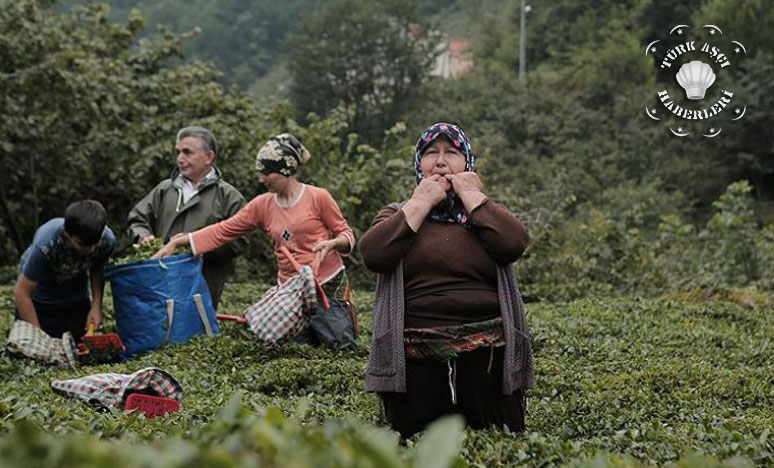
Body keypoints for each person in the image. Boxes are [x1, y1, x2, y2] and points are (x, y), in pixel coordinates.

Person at [359, 122, 535, 438]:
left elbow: (514, 243)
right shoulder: (398, 213)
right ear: (418, 164)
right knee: (413, 444)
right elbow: (373, 254)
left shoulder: (483, 212)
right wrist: (420, 203)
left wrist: (471, 195)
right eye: (430, 153)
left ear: (466, 163)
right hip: (415, 358)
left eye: (451, 153)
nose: (440, 162)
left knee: (498, 441)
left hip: (487, 354)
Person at [152, 133, 355, 315]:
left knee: (336, 341)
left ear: (284, 170)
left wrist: (332, 244)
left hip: (327, 283)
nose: (261, 178)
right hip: (290, 289)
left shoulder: (318, 197)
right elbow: (224, 230)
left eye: (266, 172)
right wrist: (182, 242)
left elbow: (346, 234)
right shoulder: (263, 205)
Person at [127, 126, 246, 310]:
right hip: (160, 285)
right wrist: (143, 237)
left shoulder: (228, 196)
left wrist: (196, 245)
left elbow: (239, 240)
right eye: (178, 152)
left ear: (209, 157)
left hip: (202, 287)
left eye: (187, 153)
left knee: (195, 333)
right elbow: (137, 219)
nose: (180, 159)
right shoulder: (165, 189)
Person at [13, 200, 116, 339]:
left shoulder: (106, 240)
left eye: (95, 244)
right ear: (67, 235)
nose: (91, 250)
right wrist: (39, 337)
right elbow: (22, 293)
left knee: (78, 344)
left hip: (75, 295)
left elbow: (97, 269)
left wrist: (96, 306)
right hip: (41, 298)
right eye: (82, 245)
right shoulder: (46, 245)